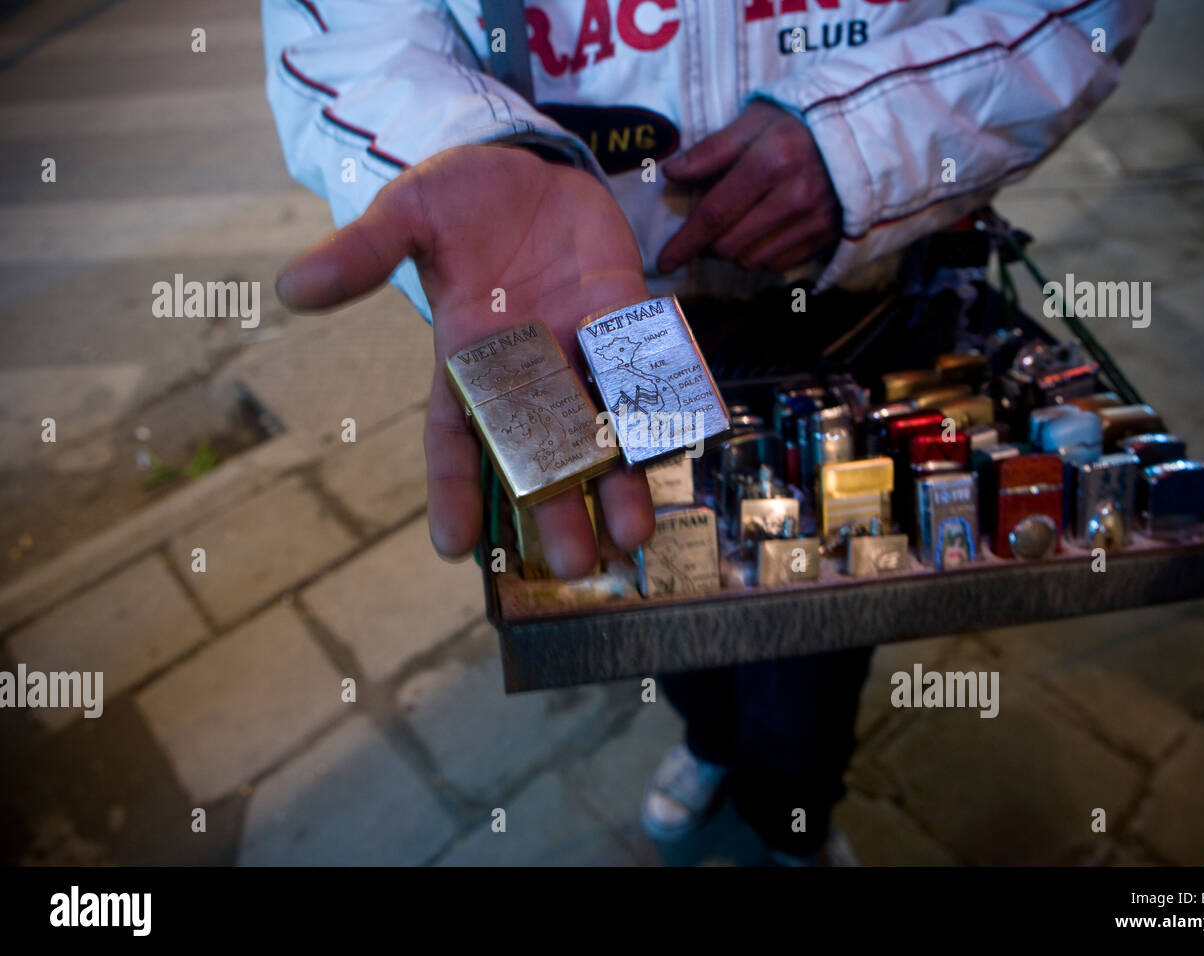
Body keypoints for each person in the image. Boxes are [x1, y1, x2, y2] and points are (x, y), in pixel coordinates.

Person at [264, 0, 1154, 863]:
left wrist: (863, 142)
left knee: (825, 619)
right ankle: (711, 742)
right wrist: (474, 147)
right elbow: (347, 24)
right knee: (667, 580)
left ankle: (791, 820)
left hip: (855, 302)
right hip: (615, 313)